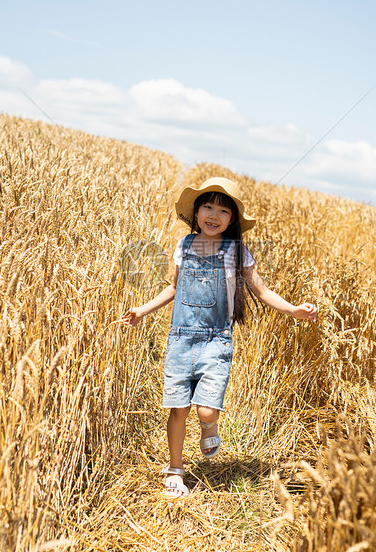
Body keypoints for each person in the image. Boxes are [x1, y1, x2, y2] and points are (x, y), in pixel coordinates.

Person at [121, 177, 318, 499]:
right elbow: (173, 288)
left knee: (206, 411)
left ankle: (210, 427)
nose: (214, 215)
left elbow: (262, 290)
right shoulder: (184, 245)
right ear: (196, 212)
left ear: (232, 220)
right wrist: (142, 310)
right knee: (178, 408)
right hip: (181, 338)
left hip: (216, 340)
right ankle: (175, 470)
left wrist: (293, 310)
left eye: (223, 211)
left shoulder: (236, 251)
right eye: (208, 207)